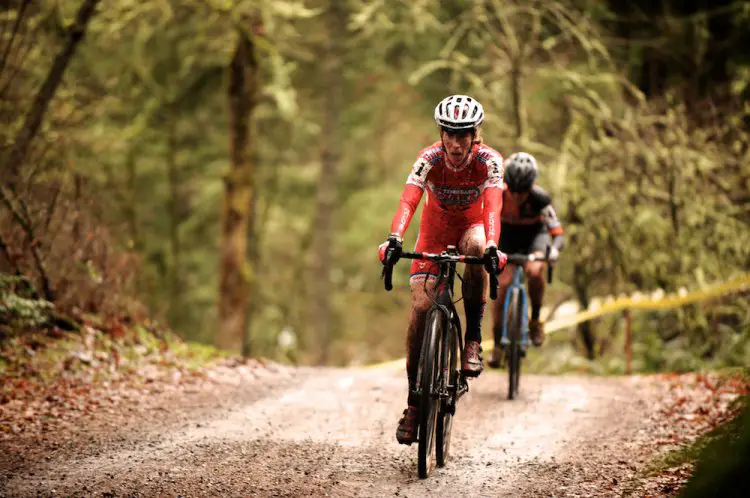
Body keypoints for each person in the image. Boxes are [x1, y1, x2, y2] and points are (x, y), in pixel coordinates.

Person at [378, 94, 508, 444]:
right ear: (440, 133)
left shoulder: (489, 161)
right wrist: (394, 237)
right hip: (433, 235)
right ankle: (414, 406)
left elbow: (493, 206)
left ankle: (473, 339)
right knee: (420, 311)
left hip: (472, 228)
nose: (454, 142)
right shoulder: (429, 158)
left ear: (474, 135)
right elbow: (409, 198)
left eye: (462, 134)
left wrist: (494, 245)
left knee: (478, 249)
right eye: (448, 133)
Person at [488, 152, 564, 368]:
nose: (518, 197)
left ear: (531, 187)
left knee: (535, 270)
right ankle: (497, 345)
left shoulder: (541, 200)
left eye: (523, 192)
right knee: (502, 286)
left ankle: (535, 321)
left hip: (534, 237)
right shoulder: (497, 196)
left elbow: (557, 233)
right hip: (508, 237)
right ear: (506, 185)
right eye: (513, 191)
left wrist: (554, 251)